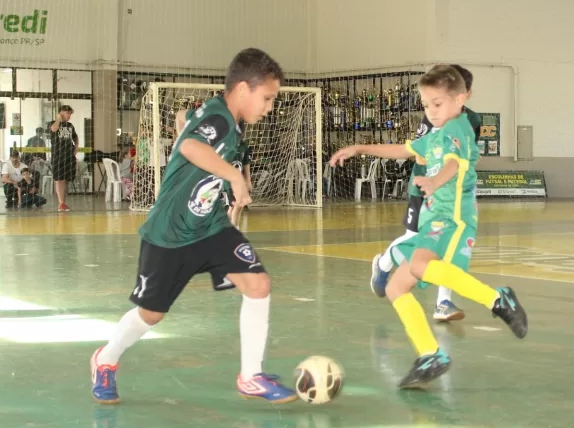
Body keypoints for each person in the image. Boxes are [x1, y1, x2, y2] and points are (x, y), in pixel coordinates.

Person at [90, 48, 297, 405]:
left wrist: (231, 198)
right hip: (170, 232)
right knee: (151, 314)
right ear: (244, 89)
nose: (269, 107)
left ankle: (251, 376)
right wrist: (234, 176)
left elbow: (186, 120)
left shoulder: (226, 119)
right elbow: (188, 145)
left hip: (210, 226)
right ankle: (105, 360)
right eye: (267, 98)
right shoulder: (218, 119)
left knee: (258, 284)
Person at [330, 65, 528, 389]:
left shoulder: (458, 129)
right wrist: (360, 148)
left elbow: (453, 164)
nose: (430, 111)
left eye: (437, 103)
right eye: (425, 105)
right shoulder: (433, 135)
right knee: (395, 287)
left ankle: (498, 300)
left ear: (460, 99)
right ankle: (430, 354)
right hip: (433, 223)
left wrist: (434, 181)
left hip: (453, 221)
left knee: (421, 266)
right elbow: (404, 150)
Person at [370, 64, 482, 323]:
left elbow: (462, 156)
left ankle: (443, 302)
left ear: (466, 94)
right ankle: (384, 263)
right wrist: (431, 178)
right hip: (423, 185)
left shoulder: (471, 121)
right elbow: (418, 150)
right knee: (415, 237)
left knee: (448, 245)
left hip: (450, 190)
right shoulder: (433, 114)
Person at [48, 104, 78, 211]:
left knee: (65, 180)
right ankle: (60, 203)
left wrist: (76, 148)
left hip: (68, 156)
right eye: (68, 113)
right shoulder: (53, 123)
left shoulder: (70, 126)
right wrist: (58, 119)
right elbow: (54, 129)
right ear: (61, 113)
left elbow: (75, 137)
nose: (69, 116)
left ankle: (63, 202)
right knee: (58, 179)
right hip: (58, 156)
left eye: (70, 114)